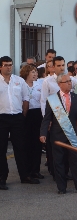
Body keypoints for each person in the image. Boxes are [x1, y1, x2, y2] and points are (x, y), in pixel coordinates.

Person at [40, 74, 77, 194]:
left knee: (75, 161)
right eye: (66, 81)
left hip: (72, 134)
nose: (69, 83)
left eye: (70, 81)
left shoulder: (75, 97)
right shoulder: (52, 99)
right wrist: (43, 133)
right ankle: (62, 188)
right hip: (57, 135)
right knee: (59, 162)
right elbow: (47, 118)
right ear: (60, 84)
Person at [0, 56, 39, 190]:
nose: (8, 67)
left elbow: (25, 98)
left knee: (21, 147)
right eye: (5, 65)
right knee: (1, 149)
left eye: (10, 65)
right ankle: (1, 178)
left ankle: (25, 176)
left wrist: (23, 115)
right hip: (2, 118)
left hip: (17, 117)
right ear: (0, 67)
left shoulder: (19, 81)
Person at [20, 64, 44, 180]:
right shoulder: (21, 84)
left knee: (37, 143)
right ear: (26, 73)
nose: (35, 74)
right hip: (26, 114)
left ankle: (36, 169)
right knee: (26, 143)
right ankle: (27, 169)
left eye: (36, 72)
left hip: (37, 113)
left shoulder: (40, 84)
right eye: (32, 72)